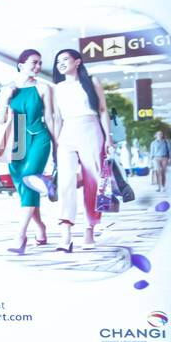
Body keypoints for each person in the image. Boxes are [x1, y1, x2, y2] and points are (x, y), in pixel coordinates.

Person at [51, 48, 112, 251]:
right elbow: (57, 118)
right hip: (67, 133)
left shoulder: (92, 81)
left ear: (77, 61)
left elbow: (102, 110)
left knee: (93, 180)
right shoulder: (57, 87)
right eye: (58, 61)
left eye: (65, 59)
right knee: (65, 181)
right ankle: (65, 234)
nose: (60, 64)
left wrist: (108, 138)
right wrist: (57, 143)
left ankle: (89, 228)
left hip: (91, 129)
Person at [0, 49, 54, 254]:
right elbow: (0, 120)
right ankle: (40, 227)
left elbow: (50, 118)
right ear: (21, 65)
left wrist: (57, 146)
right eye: (34, 62)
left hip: (39, 137)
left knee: (30, 179)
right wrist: (5, 98)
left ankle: (20, 236)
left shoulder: (43, 88)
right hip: (15, 139)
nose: (38, 67)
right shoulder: (8, 89)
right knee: (24, 187)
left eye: (40, 63)